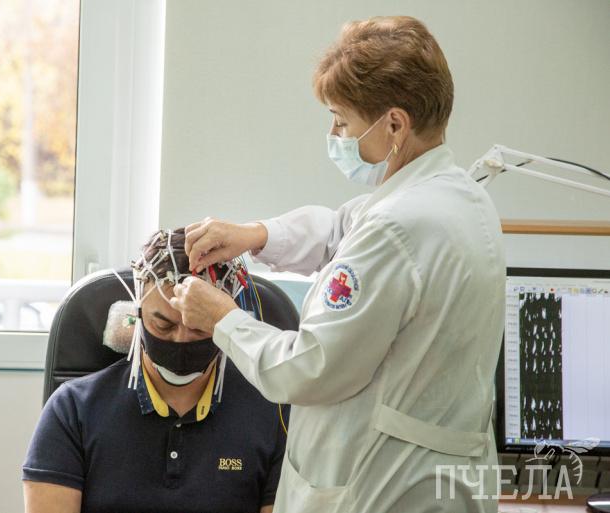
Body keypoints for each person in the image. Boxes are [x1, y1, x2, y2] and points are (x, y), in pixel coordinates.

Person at [169, 16, 505, 513]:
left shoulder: (399, 226)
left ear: (394, 124)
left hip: (385, 486)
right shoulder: (458, 197)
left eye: (342, 121)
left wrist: (223, 319)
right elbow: (340, 229)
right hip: (439, 477)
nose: (334, 133)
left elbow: (308, 368)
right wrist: (255, 235)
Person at [22, 229, 287, 513]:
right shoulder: (73, 410)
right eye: (164, 325)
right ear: (137, 314)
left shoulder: (273, 414)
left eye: (199, 328)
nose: (181, 339)